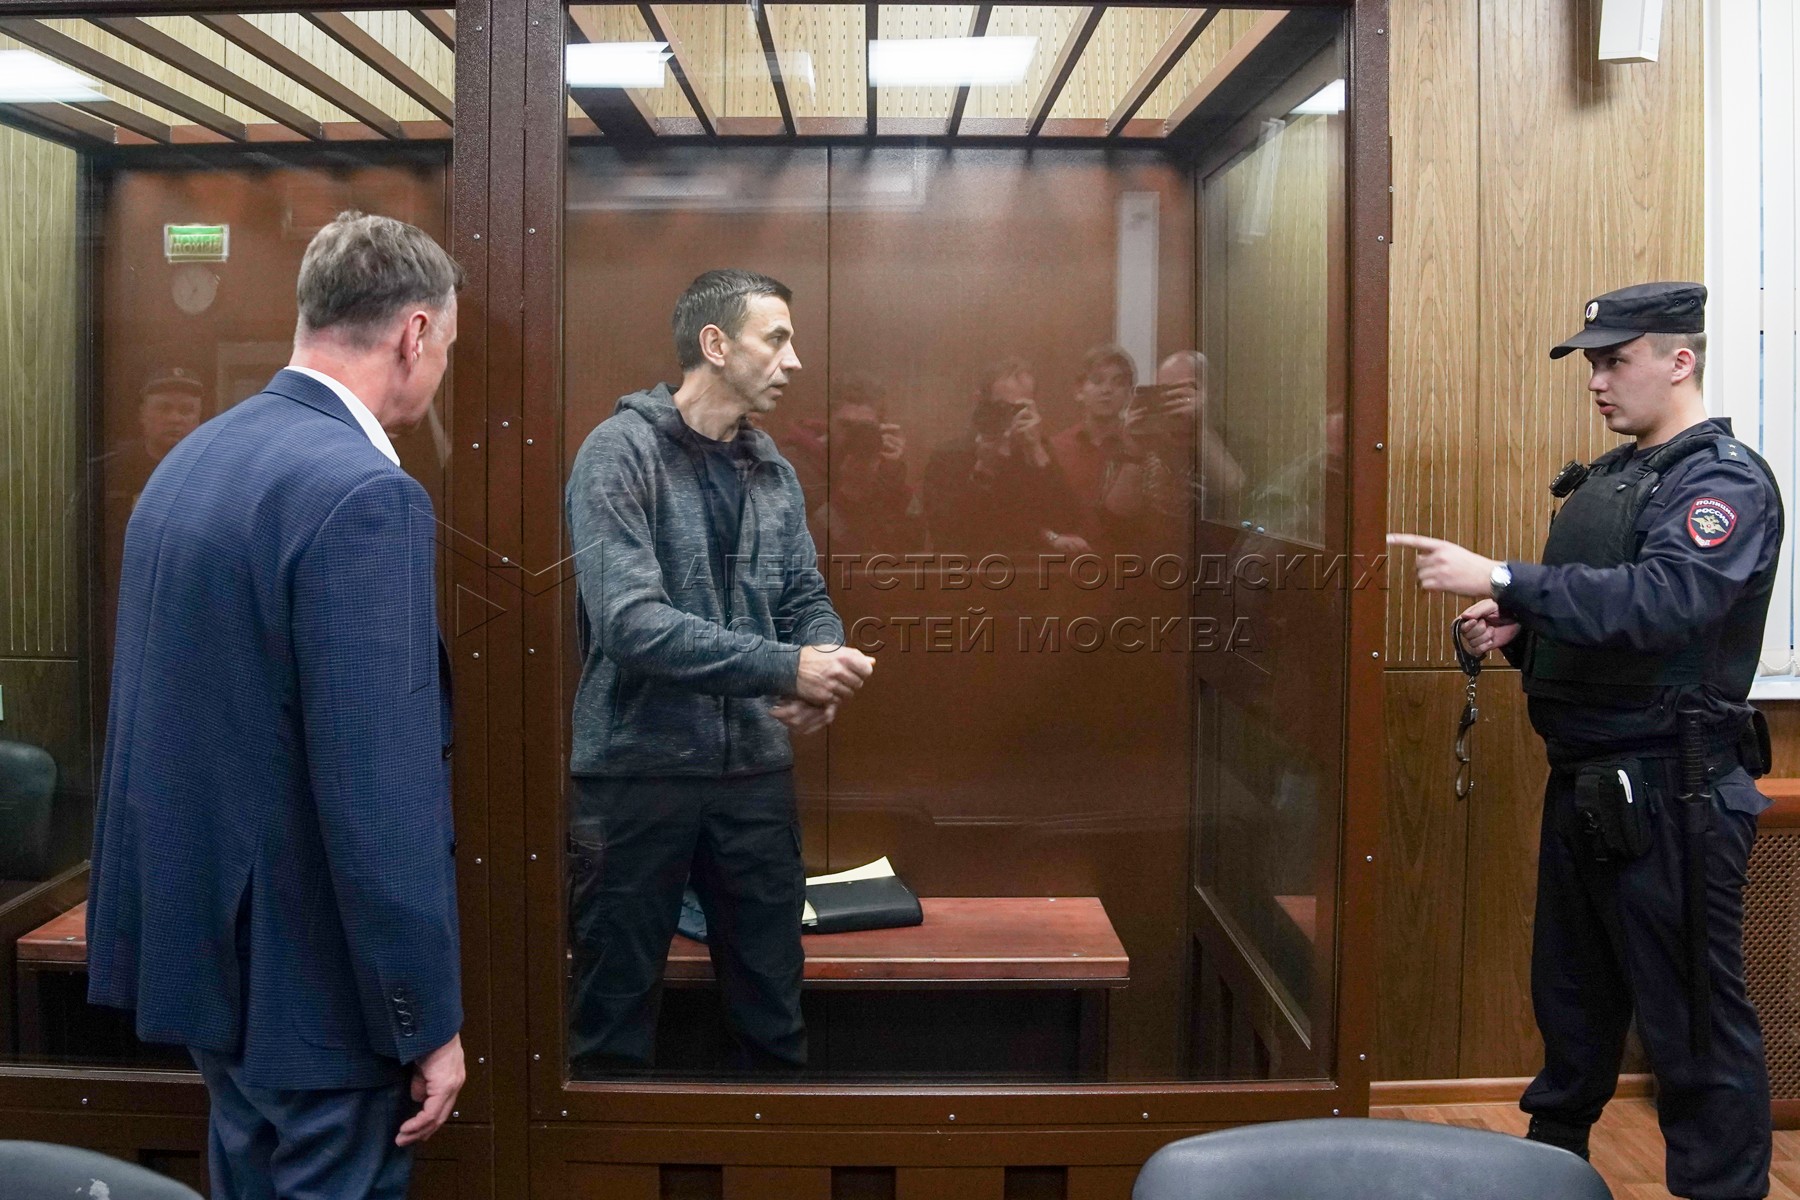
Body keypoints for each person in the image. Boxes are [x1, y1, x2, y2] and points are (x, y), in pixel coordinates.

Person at [86, 211, 466, 1199]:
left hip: (217, 974)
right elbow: (380, 796)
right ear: (414, 333)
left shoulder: (190, 463)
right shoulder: (367, 496)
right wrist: (424, 1019)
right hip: (321, 997)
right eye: (447, 348)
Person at [1390, 282, 1779, 1200]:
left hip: (1676, 791)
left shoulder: (1721, 482)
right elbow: (1616, 632)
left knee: (1694, 1027)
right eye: (1592, 364)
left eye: (1615, 361)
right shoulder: (1614, 478)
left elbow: (1667, 603)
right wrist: (1522, 630)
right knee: (1572, 1003)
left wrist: (1504, 577)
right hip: (1593, 781)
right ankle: (1551, 1176)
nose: (1597, 381)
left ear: (1679, 361)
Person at [565, 268, 875, 1074]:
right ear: (715, 344)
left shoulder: (772, 469)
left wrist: (823, 662)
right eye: (777, 338)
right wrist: (784, 667)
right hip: (636, 775)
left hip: (754, 779)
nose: (794, 361)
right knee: (611, 1023)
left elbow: (805, 595)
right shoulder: (618, 453)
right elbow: (630, 624)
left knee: (773, 1018)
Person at [923, 357, 1089, 561]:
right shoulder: (949, 456)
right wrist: (984, 470)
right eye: (1001, 407)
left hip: (1030, 573)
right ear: (979, 402)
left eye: (1018, 409)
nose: (1009, 416)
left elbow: (1069, 523)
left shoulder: (1037, 453)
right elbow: (947, 534)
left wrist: (1036, 451)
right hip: (968, 573)